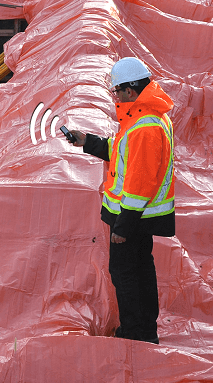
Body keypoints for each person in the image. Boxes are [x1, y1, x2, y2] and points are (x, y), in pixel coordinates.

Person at [66, 56, 175, 344]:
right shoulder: (144, 116)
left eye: (116, 91)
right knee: (140, 270)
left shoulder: (144, 126)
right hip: (139, 215)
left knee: (128, 275)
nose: (115, 97)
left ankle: (137, 334)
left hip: (132, 217)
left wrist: (122, 227)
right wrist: (86, 141)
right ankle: (143, 329)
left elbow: (139, 184)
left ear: (129, 90)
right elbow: (119, 150)